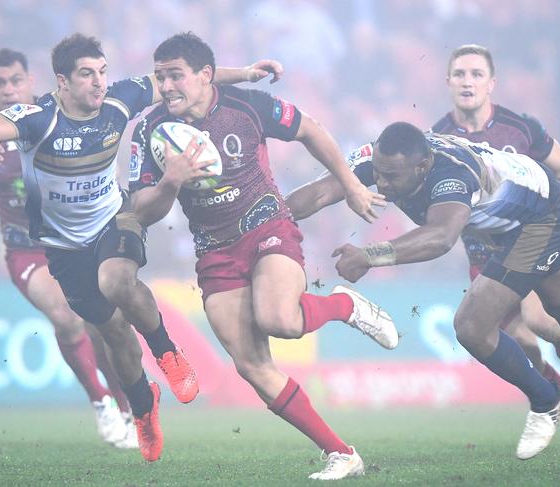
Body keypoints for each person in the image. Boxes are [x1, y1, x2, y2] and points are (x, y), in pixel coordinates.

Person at [0, 33, 283, 463]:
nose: (98, 83)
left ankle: (167, 351)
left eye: (102, 72)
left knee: (117, 279)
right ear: (62, 81)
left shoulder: (118, 100)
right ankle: (143, 408)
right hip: (62, 246)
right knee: (112, 330)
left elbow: (183, 83)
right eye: (87, 75)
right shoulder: (38, 118)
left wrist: (245, 73)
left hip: (116, 219)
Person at [129, 32, 396, 480]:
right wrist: (171, 181)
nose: (166, 86)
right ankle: (341, 453)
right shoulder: (149, 129)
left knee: (281, 320)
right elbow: (142, 211)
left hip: (265, 225)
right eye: (159, 77)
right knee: (252, 366)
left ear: (204, 76)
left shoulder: (246, 105)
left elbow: (310, 129)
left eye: (175, 75)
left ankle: (342, 305)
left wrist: (351, 183)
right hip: (213, 250)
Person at [285, 122, 560, 466]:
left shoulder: (450, 177)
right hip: (517, 218)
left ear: (422, 167)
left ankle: (547, 399)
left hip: (539, 218)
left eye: (392, 177)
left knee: (471, 327)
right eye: (378, 174)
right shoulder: (381, 157)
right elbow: (320, 191)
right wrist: (266, 220)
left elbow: (441, 237)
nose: (383, 184)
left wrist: (368, 255)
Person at [0, 48, 137, 449]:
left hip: (79, 243)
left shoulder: (53, 118)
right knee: (66, 318)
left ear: (32, 82)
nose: (8, 89)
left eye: (16, 80)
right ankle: (101, 401)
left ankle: (125, 405)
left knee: (103, 326)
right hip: (27, 250)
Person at [431, 44, 560, 455]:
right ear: (448, 82)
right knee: (520, 349)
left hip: (532, 240)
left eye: (475, 74)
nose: (467, 81)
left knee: (540, 319)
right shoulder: (436, 139)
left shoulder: (519, 129)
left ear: (492, 83)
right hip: (483, 258)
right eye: (459, 74)